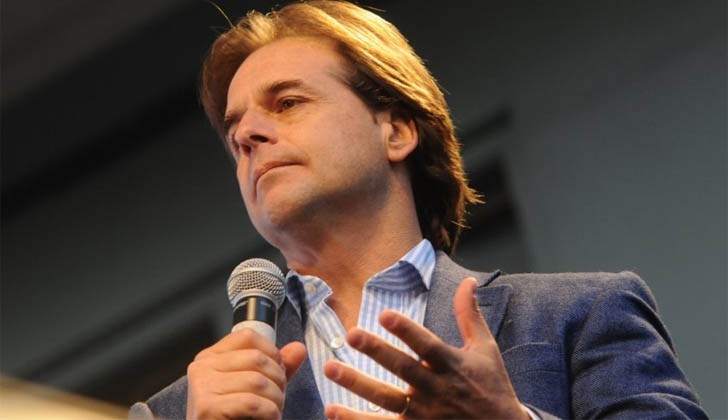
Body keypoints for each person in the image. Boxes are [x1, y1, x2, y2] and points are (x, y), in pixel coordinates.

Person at [130, 1, 706, 419]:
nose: (248, 134)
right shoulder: (174, 411)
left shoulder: (579, 316)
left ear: (397, 132)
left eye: (287, 102)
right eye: (235, 133)